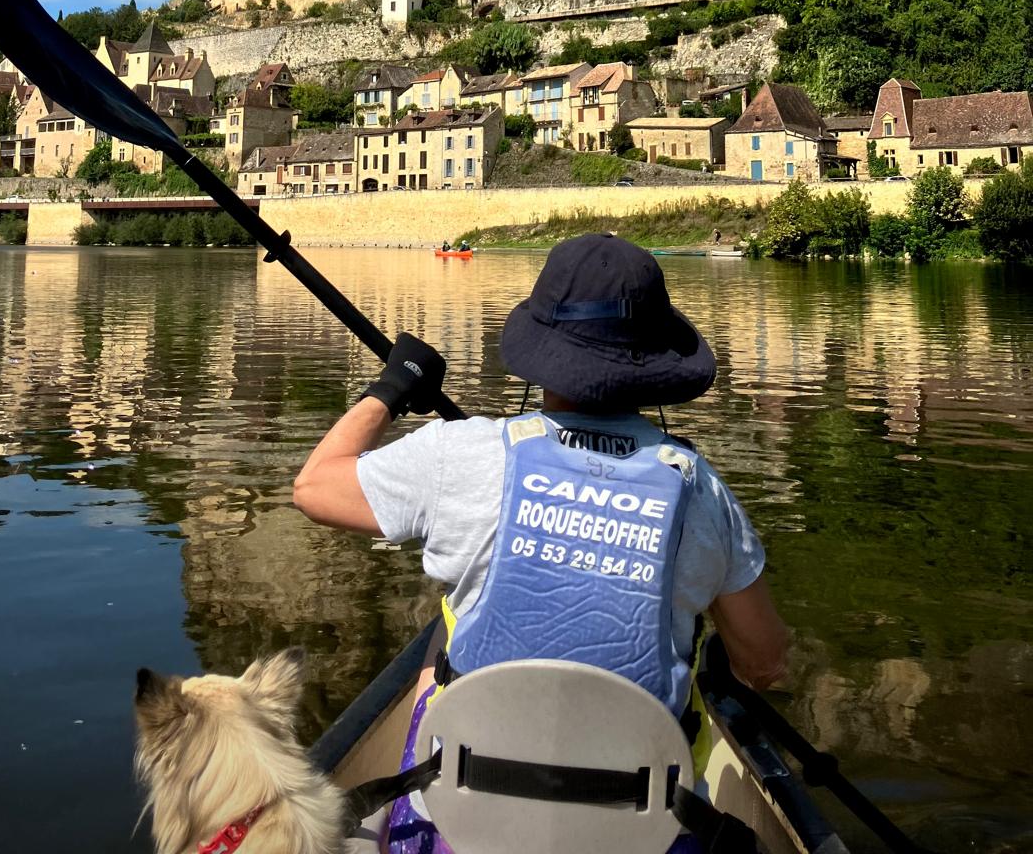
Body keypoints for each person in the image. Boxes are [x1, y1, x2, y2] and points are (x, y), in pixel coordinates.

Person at [293, 234, 789, 849]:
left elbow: (314, 487)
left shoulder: (462, 453)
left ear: (541, 351)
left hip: (467, 822)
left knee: (442, 640)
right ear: (654, 362)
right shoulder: (703, 493)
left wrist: (395, 385)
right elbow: (765, 662)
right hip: (637, 835)